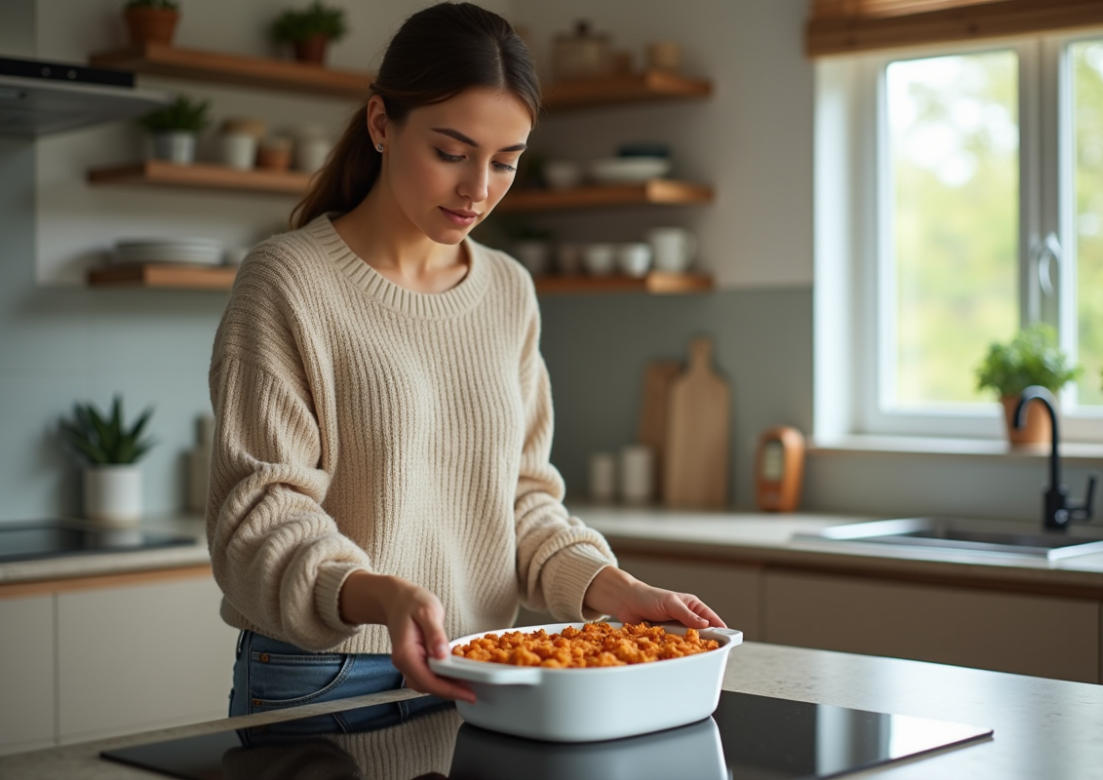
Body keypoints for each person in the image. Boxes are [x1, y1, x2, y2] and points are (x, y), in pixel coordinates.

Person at [207, 1, 726, 723]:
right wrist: (379, 594)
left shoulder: (508, 290)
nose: (478, 189)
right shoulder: (288, 281)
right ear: (382, 123)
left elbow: (521, 499)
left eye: (506, 162)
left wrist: (613, 587)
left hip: (486, 668)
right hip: (323, 677)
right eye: (452, 152)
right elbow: (258, 516)